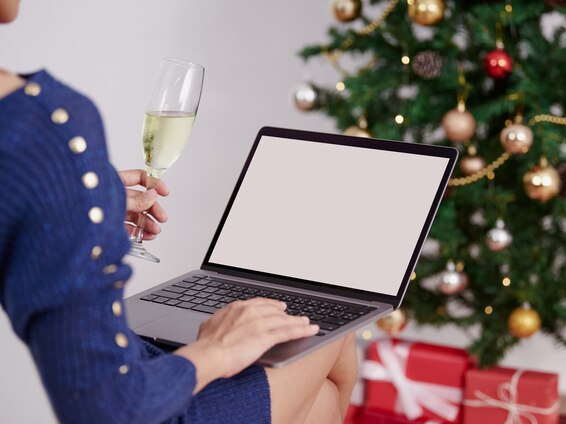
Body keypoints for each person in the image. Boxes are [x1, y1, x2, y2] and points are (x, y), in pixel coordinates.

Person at [0, 1, 357, 423]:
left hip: (125, 363)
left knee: (320, 401)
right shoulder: (42, 122)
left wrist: (71, 208)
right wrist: (215, 351)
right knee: (327, 320)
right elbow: (103, 410)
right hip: (142, 402)